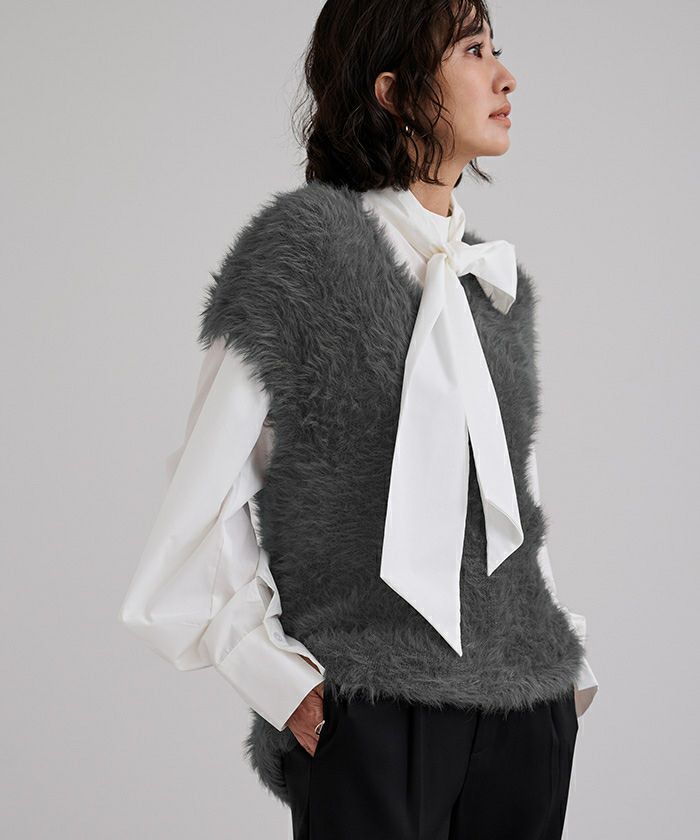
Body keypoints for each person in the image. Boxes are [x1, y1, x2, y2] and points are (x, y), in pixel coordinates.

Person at [119, 1, 599, 838]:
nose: (505, 76)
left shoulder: (488, 287)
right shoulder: (304, 255)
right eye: (474, 50)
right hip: (376, 711)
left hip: (527, 712)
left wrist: (568, 668)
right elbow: (202, 502)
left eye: (497, 49)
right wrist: (286, 686)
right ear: (395, 90)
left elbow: (510, 506)